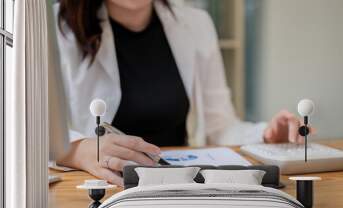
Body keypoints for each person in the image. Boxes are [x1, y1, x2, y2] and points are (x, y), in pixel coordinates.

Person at [55, 0, 306, 186]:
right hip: (104, 188)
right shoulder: (54, 29)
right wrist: (78, 151)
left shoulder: (196, 24)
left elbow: (220, 125)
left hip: (179, 183)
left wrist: (265, 135)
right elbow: (28, 132)